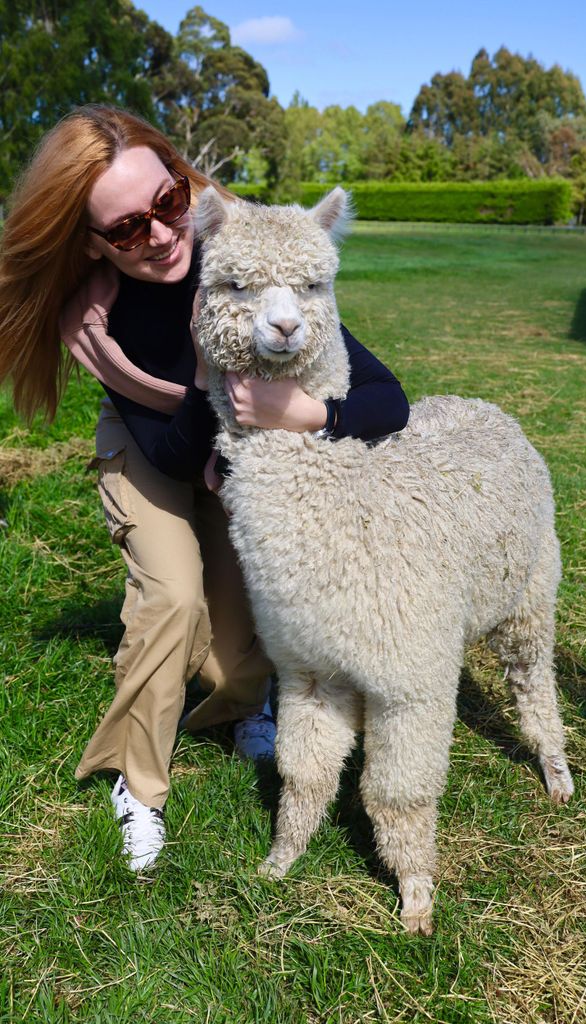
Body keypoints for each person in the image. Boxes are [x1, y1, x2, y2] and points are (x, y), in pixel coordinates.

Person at [0, 104, 410, 873]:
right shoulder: (98, 317)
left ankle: (238, 708)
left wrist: (309, 412)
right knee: (172, 597)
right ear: (94, 242)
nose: (159, 234)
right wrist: (154, 372)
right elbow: (175, 449)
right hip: (157, 445)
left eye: (168, 203)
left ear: (184, 184)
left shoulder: (243, 249)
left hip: (239, 442)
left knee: (233, 655)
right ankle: (138, 782)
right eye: (125, 229)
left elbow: (388, 397)